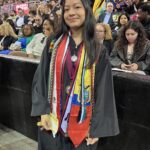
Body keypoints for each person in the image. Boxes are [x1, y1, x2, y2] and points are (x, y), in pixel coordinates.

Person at [31, 0, 119, 150]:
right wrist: (42, 111)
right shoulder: (54, 42)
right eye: (66, 9)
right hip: (52, 125)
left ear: (87, 11)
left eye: (77, 7)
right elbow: (41, 78)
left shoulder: (98, 50)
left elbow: (103, 90)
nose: (71, 12)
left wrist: (96, 129)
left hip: (83, 129)